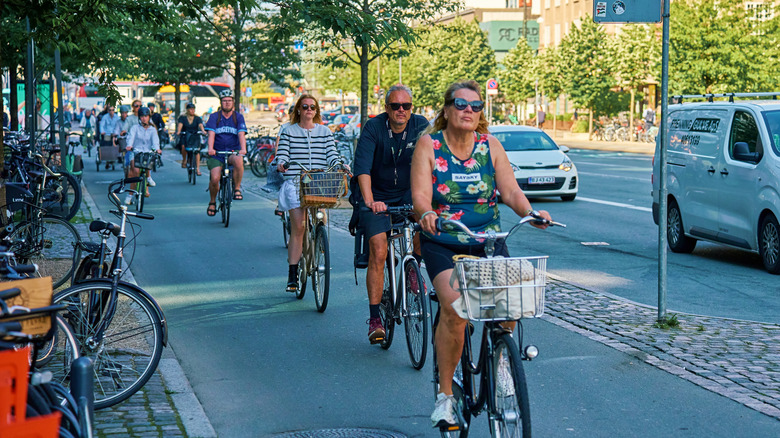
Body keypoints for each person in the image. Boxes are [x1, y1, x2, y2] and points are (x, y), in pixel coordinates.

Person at [410, 80, 552, 428]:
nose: (468, 111)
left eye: (475, 106)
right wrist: (426, 213)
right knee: (457, 308)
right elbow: (420, 197)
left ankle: (503, 367)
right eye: (461, 104)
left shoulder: (491, 146)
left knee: (511, 303)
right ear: (446, 110)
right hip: (444, 241)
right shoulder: (429, 145)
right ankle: (445, 397)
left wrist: (530, 213)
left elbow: (511, 191)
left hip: (488, 240)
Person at [353, 84, 429, 344]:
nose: (400, 110)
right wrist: (370, 200)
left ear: (412, 108)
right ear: (386, 108)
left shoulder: (421, 126)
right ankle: (375, 319)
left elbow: (434, 160)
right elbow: (362, 169)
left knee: (427, 222)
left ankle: (413, 268)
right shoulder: (374, 128)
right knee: (379, 249)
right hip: (377, 196)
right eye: (395, 106)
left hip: (409, 193)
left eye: (405, 106)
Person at [275, 94, 342, 292]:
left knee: (321, 216)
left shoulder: (325, 131)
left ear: (317, 110)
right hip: (296, 182)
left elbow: (331, 154)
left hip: (319, 181)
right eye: (305, 107)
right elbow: (283, 152)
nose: (309, 110)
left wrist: (338, 164)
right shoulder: (289, 131)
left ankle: (319, 240)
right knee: (298, 227)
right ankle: (293, 273)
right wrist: (281, 163)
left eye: (312, 107)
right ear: (298, 110)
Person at [205, 89, 247, 216]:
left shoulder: (238, 117)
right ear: (221, 102)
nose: (227, 103)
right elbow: (211, 134)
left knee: (239, 160)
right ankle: (212, 201)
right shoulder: (214, 117)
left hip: (233, 151)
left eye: (229, 101)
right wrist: (210, 149)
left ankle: (237, 188)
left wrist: (243, 149)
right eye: (224, 101)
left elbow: (241, 134)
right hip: (217, 153)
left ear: (233, 102)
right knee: (215, 178)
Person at [124, 106, 161, 205]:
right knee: (135, 172)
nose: (144, 118)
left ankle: (148, 177)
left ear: (149, 117)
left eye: (146, 116)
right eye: (142, 116)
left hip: (147, 153)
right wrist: (129, 145)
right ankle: (130, 195)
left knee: (149, 159)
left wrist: (157, 148)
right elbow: (131, 138)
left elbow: (155, 141)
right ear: (139, 118)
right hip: (136, 152)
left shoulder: (152, 129)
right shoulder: (135, 128)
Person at [175, 103, 206, 176]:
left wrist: (203, 131)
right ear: (187, 110)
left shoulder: (197, 118)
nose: (192, 111)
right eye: (190, 109)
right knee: (183, 146)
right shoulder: (182, 118)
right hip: (186, 135)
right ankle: (184, 160)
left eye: (193, 109)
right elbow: (180, 125)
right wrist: (179, 131)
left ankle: (198, 168)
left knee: (197, 151)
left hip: (195, 136)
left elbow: (200, 125)